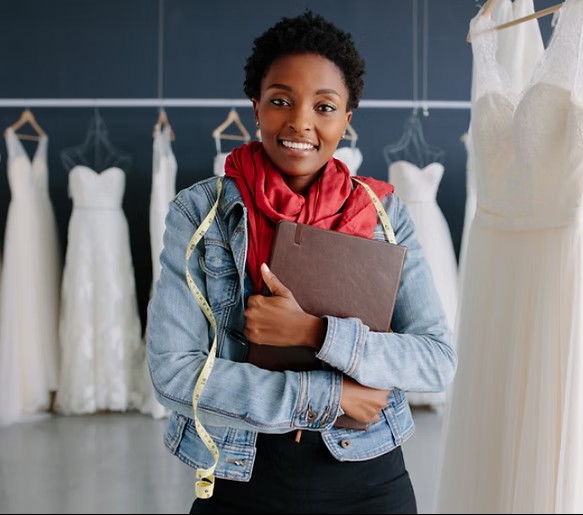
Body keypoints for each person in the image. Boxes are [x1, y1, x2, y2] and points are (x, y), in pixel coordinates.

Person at [146, 10, 456, 515]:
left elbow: (436, 358)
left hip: (371, 482)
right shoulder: (200, 213)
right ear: (255, 106)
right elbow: (174, 375)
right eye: (280, 101)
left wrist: (314, 332)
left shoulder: (383, 213)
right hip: (243, 481)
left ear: (348, 116)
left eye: (325, 106)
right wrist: (328, 399)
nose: (300, 122)